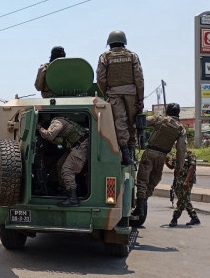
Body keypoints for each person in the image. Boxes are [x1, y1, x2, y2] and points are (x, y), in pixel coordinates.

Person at [97, 30, 144, 165]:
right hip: (132, 94)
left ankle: (126, 156)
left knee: (120, 123)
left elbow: (100, 78)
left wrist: (107, 91)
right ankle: (131, 151)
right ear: (124, 42)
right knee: (132, 123)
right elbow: (139, 78)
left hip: (114, 94)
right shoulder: (132, 56)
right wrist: (140, 99)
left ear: (110, 43)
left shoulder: (104, 57)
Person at [135, 103, 187, 218]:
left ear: (167, 111)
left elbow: (143, 121)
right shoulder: (180, 128)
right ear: (178, 113)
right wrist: (179, 166)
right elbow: (181, 149)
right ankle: (142, 202)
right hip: (162, 156)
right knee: (153, 181)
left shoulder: (161, 120)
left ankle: (140, 205)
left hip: (150, 153)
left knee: (142, 181)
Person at [37, 117, 89, 207]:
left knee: (67, 169)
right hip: (75, 146)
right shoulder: (61, 126)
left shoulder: (57, 122)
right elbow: (55, 141)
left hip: (81, 145)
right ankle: (65, 190)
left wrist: (39, 129)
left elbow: (49, 135)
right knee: (60, 165)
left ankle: (73, 198)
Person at [167, 149, 200, 227]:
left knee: (182, 199)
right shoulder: (175, 154)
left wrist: (187, 181)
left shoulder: (190, 154)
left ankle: (174, 218)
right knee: (185, 199)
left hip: (186, 180)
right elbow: (172, 166)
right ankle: (194, 217)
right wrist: (166, 162)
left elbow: (192, 168)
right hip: (177, 180)